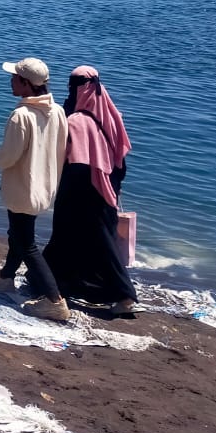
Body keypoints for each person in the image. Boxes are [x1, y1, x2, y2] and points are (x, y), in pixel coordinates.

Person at [0, 57, 70, 321]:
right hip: (44, 186)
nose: (10, 80)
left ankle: (54, 300)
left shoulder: (22, 115)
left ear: (26, 84)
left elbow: (8, 157)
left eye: (14, 77)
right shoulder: (58, 112)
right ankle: (6, 278)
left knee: (26, 242)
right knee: (18, 233)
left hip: (23, 186)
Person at [43, 66, 137, 317]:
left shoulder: (76, 120)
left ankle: (126, 295)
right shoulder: (111, 115)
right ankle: (58, 284)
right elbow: (120, 157)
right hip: (108, 189)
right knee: (84, 241)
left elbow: (69, 159)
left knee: (97, 242)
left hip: (84, 192)